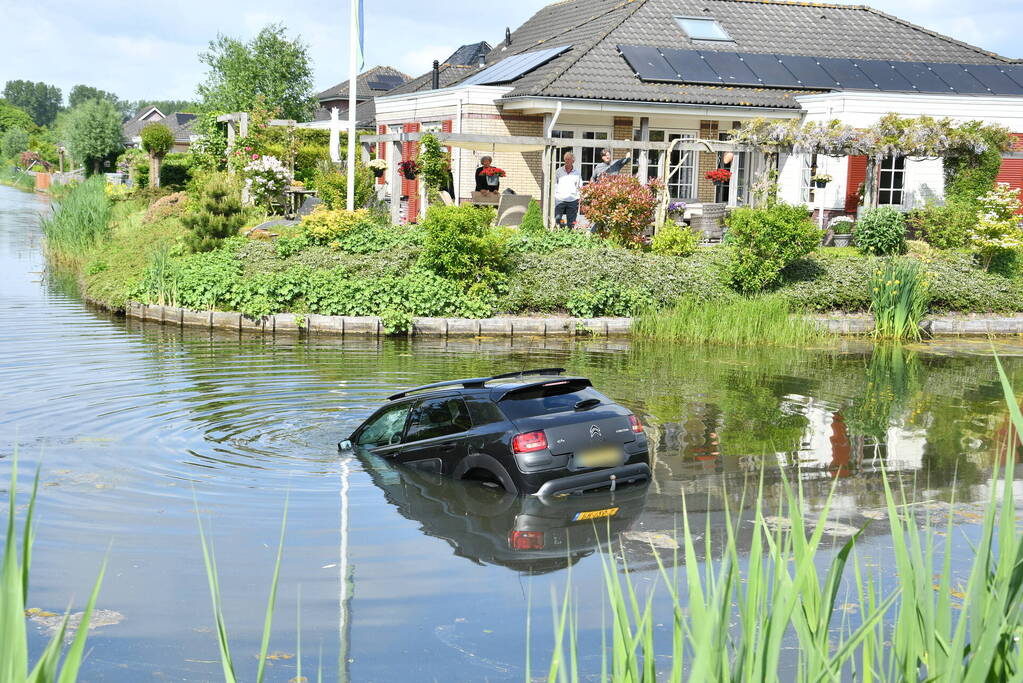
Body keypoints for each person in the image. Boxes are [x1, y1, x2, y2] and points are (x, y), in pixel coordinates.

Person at [553, 152, 582, 229]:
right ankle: (558, 234)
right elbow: (554, 184)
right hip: (560, 199)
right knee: (558, 219)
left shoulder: (577, 173)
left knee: (571, 222)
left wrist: (578, 197)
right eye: (565, 159)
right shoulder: (558, 171)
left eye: (569, 159)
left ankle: (570, 236)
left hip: (573, 200)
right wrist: (556, 195)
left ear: (573, 161)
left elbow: (579, 186)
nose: (567, 161)